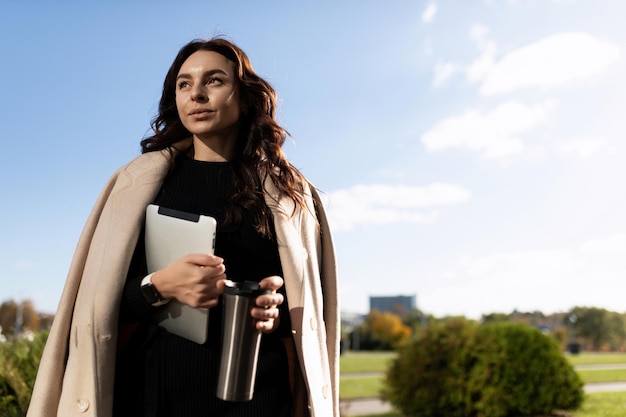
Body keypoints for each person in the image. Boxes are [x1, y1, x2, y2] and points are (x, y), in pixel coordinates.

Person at [27, 37, 339, 417]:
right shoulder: (136, 185)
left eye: (215, 81)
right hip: (155, 394)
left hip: (259, 396)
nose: (197, 94)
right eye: (184, 84)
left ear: (244, 97)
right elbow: (96, 309)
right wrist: (158, 287)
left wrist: (276, 312)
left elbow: (311, 319)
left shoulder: (291, 196)